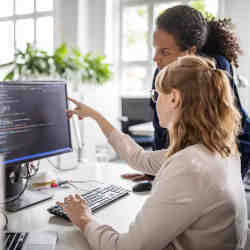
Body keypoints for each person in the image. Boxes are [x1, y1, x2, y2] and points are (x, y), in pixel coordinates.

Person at [57, 55, 248, 250]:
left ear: (174, 98)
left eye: (156, 95)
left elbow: (126, 248)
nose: (155, 103)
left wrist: (84, 219)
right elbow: (139, 158)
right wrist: (95, 116)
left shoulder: (190, 166)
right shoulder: (216, 151)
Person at [124, 5, 250, 191]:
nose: (155, 58)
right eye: (156, 49)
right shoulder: (161, 71)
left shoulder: (213, 69)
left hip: (225, 159)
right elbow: (161, 126)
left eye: (165, 52)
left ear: (191, 51)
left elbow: (223, 131)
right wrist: (154, 172)